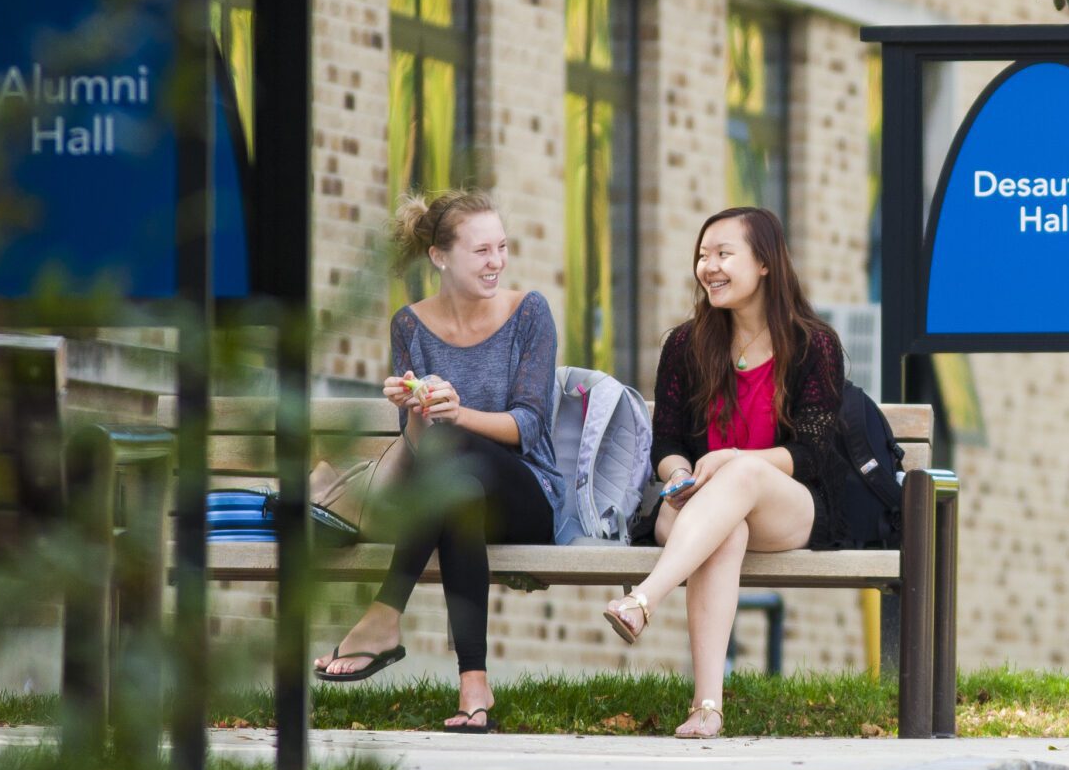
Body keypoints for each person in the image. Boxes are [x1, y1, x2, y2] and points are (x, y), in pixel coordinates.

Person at [314, 189, 560, 732]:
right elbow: (422, 451)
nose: (496, 262)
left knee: (461, 458)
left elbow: (529, 427)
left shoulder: (529, 313)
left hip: (526, 496)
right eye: (481, 251)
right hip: (455, 492)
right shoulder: (409, 326)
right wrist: (416, 407)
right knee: (458, 484)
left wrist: (458, 412)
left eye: (502, 247)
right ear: (440, 257)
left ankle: (383, 615)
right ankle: (474, 683)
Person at [605, 206, 842, 740]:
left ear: (764, 263)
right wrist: (681, 471)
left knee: (743, 478)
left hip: (785, 506)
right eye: (702, 255)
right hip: (696, 509)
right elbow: (665, 441)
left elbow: (813, 453)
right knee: (725, 526)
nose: (707, 266)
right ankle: (707, 706)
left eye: (723, 254)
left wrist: (735, 460)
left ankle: (643, 599)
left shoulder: (813, 345)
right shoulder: (686, 346)